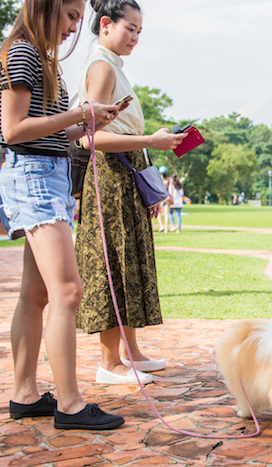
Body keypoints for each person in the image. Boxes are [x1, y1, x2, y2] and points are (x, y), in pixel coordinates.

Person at [0, 0, 124, 429]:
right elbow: (13, 130)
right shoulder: (24, 53)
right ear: (45, 7)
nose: (76, 26)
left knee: (36, 295)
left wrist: (91, 123)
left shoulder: (38, 56)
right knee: (68, 292)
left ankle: (25, 394)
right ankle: (69, 405)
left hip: (44, 174)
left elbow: (49, 133)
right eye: (70, 15)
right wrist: (78, 113)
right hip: (33, 179)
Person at [74, 0, 186, 385]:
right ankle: (109, 362)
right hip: (109, 177)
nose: (136, 37)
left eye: (140, 31)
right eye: (130, 28)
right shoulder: (102, 66)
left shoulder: (112, 66)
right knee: (113, 264)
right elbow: (91, 137)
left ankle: (130, 352)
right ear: (106, 24)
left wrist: (148, 146)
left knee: (129, 261)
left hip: (125, 175)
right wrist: (151, 141)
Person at [155, 165, 169, 232]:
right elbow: (171, 190)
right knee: (166, 214)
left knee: (159, 213)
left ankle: (161, 226)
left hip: (160, 197)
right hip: (167, 197)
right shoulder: (169, 180)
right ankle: (166, 229)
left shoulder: (158, 179)